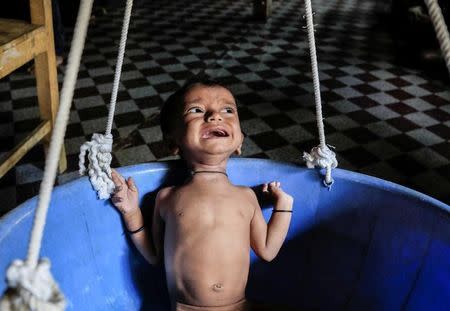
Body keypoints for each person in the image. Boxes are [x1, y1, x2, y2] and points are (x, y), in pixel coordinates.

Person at [110, 76, 294, 311]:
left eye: (228, 110)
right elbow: (154, 255)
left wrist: (284, 205)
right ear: (173, 142)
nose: (215, 116)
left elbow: (268, 250)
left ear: (240, 142)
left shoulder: (246, 196)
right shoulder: (166, 197)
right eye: (196, 110)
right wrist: (130, 210)